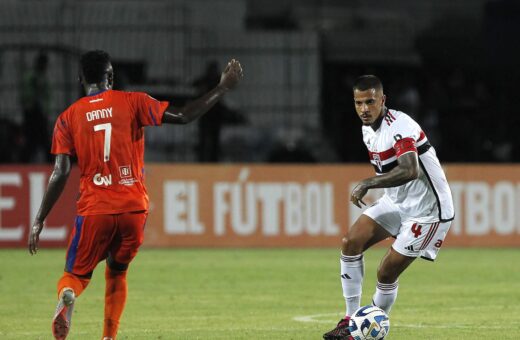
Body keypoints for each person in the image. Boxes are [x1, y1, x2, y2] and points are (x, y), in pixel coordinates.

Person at [27, 50, 243, 340]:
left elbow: (60, 172)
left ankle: (68, 294)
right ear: (111, 77)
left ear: (81, 79)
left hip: (95, 209)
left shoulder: (67, 118)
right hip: (133, 210)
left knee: (75, 276)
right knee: (117, 271)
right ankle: (108, 337)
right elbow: (183, 115)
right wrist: (222, 88)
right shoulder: (133, 101)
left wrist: (39, 219)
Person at [323, 75, 454, 340]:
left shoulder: (400, 127)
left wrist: (367, 183)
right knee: (351, 242)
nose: (364, 109)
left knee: (386, 271)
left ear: (382, 100)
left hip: (428, 212)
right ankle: (350, 321)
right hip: (397, 202)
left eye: (370, 102)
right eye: (358, 103)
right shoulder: (367, 129)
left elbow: (410, 169)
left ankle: (367, 331)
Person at [20, 51, 52, 163]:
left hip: (41, 115)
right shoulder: (31, 77)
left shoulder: (43, 78)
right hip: (32, 114)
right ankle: (24, 163)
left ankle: (49, 163)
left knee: (44, 142)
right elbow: (26, 96)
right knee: (31, 142)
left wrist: (47, 113)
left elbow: (47, 98)